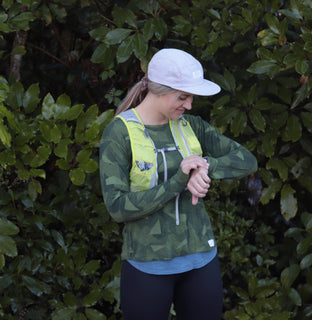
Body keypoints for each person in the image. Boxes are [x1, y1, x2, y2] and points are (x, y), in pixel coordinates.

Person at [99, 48, 258, 320]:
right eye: (182, 97)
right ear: (158, 90)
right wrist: (179, 181)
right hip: (147, 265)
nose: (189, 105)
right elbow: (117, 208)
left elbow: (247, 160)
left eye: (191, 97)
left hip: (201, 259)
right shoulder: (119, 133)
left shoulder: (192, 125)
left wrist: (205, 166)